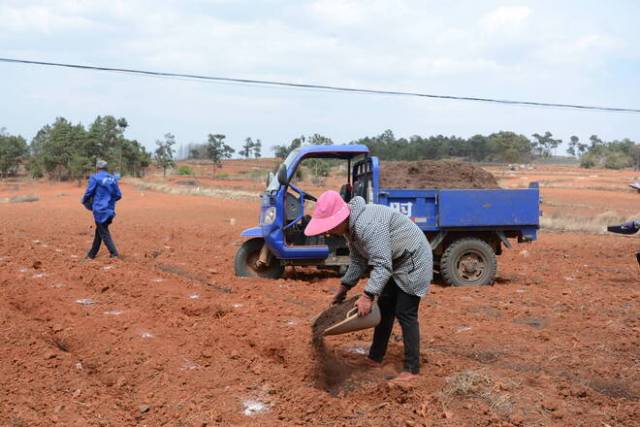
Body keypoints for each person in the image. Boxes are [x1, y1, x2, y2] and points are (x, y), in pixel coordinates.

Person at [305, 190, 432, 382]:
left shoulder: (367, 225)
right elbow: (358, 261)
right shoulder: (351, 229)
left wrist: (367, 296)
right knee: (385, 309)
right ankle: (375, 357)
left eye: (329, 226)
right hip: (394, 261)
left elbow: (382, 264)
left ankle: (411, 369)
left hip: (414, 260)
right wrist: (344, 287)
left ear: (340, 218)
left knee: (405, 312)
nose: (328, 231)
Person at [81, 159, 122, 259]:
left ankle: (114, 253)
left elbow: (89, 192)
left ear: (97, 168)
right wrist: (109, 202)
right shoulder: (113, 178)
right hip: (110, 210)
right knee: (100, 230)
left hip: (100, 210)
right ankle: (91, 254)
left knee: (104, 232)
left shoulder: (95, 178)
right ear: (106, 168)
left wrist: (84, 201)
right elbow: (118, 195)